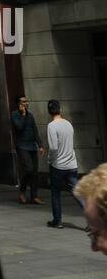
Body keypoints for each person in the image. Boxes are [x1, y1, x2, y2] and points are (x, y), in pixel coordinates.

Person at [46, 99, 85, 230]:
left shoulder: (51, 126)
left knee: (55, 193)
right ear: (60, 110)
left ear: (49, 112)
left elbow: (53, 148)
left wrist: (50, 160)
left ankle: (57, 221)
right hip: (71, 165)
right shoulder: (68, 124)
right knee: (77, 193)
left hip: (58, 166)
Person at [10, 94, 45, 205]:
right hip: (22, 145)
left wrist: (40, 145)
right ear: (18, 104)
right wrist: (24, 115)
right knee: (28, 168)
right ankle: (22, 191)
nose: (26, 103)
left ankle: (34, 196)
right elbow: (19, 127)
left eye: (27, 101)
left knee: (35, 171)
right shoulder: (15, 115)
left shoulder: (30, 115)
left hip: (32, 146)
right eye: (24, 102)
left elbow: (35, 130)